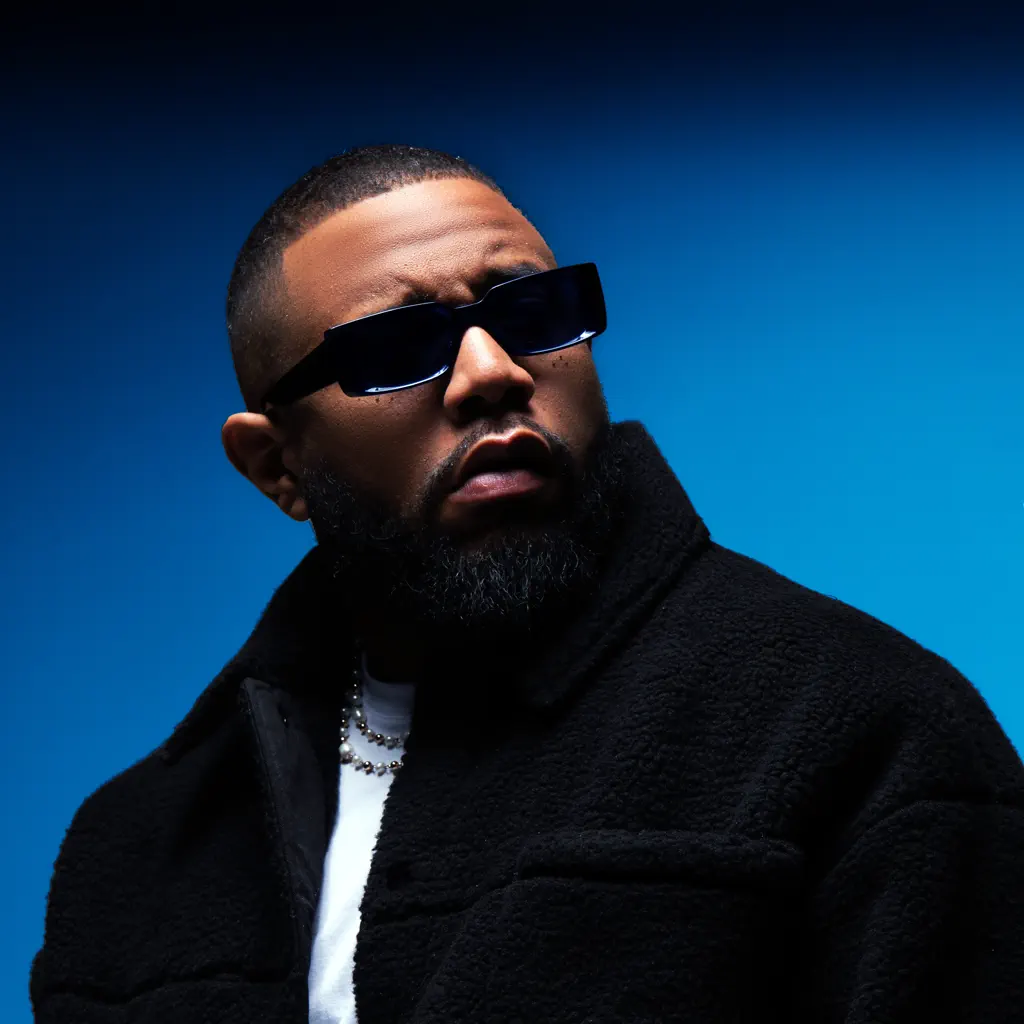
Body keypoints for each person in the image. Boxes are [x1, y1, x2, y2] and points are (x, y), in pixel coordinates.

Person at [31, 144, 1024, 1024]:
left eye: (533, 312)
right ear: (275, 465)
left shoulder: (864, 723)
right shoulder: (135, 846)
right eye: (397, 348)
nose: (490, 372)